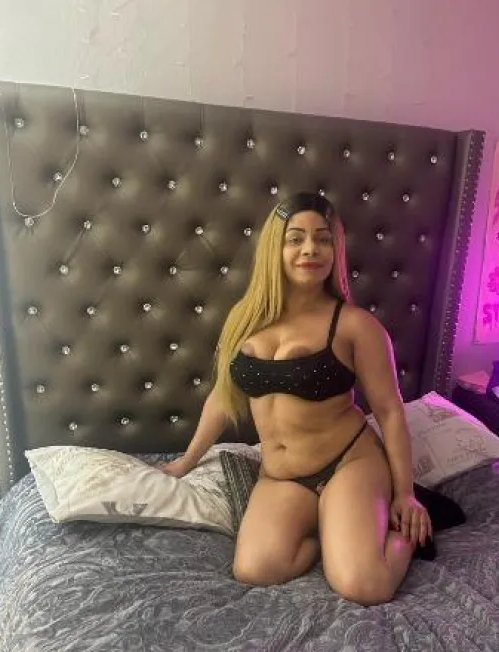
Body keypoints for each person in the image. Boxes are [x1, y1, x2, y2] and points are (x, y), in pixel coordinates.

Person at [162, 192, 431, 606]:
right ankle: (333, 529)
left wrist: (405, 493)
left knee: (364, 586)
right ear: (276, 247)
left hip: (348, 463)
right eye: (296, 238)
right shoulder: (244, 320)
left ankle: (398, 537)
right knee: (255, 569)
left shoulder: (355, 325)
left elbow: (390, 412)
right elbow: (221, 397)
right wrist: (186, 461)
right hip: (282, 476)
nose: (310, 249)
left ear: (335, 250)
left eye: (323, 239)